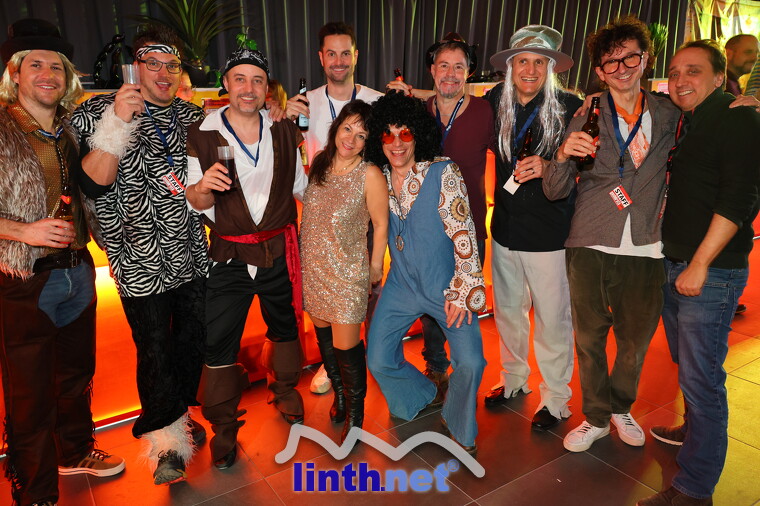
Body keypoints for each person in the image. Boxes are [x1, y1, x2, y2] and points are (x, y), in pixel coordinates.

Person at [71, 24, 208, 485]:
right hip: (137, 259)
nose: (164, 74)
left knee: (191, 343)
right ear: (134, 67)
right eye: (153, 63)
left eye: (172, 65)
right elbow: (94, 184)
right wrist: (118, 121)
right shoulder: (95, 112)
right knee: (154, 350)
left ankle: (180, 417)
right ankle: (168, 446)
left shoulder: (194, 117)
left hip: (191, 253)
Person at [0, 18, 125, 505]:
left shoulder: (71, 128)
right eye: (36, 65)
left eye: (56, 66)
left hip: (77, 270)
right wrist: (22, 230)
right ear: (15, 73)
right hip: (24, 279)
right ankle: (35, 489)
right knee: (29, 392)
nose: (48, 74)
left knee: (75, 377)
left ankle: (74, 451)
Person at [543, 15, 680, 452]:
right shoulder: (585, 115)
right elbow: (554, 190)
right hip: (590, 238)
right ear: (599, 72)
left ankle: (621, 407)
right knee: (589, 339)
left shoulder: (670, 113)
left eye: (630, 58)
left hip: (647, 240)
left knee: (635, 341)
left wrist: (743, 103)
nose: (621, 69)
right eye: (610, 63)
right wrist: (561, 156)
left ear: (646, 59)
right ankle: (597, 417)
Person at [638, 40, 760, 506]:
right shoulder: (693, 119)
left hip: (709, 273)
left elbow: (740, 199)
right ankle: (694, 431)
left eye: (693, 70)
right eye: (674, 72)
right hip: (678, 264)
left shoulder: (735, 118)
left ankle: (694, 489)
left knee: (703, 380)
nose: (680, 79)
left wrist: (701, 263)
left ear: (718, 77)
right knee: (691, 366)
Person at [185, 46, 308, 470]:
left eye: (257, 80)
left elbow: (301, 186)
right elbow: (195, 200)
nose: (249, 88)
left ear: (266, 88)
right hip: (229, 255)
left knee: (285, 325)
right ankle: (223, 427)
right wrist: (203, 186)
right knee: (219, 339)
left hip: (278, 249)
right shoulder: (203, 133)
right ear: (226, 84)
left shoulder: (283, 129)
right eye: (240, 79)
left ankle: (285, 388)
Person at [365, 91, 487, 455]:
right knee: (378, 357)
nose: (397, 143)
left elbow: (465, 233)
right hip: (401, 285)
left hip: (446, 286)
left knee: (471, 362)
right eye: (387, 134)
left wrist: (462, 290)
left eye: (405, 133)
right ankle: (422, 393)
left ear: (418, 134)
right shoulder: (377, 177)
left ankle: (457, 418)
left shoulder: (442, 171)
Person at [482, 25, 581, 431]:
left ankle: (556, 398)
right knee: (508, 312)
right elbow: (451, 105)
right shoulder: (494, 100)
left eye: (540, 62)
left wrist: (550, 166)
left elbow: (593, 160)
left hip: (549, 231)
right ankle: (513, 378)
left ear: (550, 67)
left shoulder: (571, 107)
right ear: (510, 66)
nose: (530, 69)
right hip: (505, 227)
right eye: (522, 60)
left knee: (553, 319)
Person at [387, 33, 494, 401]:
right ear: (432, 71)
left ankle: (466, 372)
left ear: (469, 72)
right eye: (443, 65)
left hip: (469, 227)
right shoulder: (419, 113)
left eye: (458, 67)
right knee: (430, 305)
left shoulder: (484, 112)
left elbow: (508, 152)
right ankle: (435, 366)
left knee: (463, 301)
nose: (450, 73)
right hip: (424, 230)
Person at [285, 21, 384, 395]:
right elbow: (293, 162)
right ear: (321, 57)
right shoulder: (305, 104)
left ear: (356, 56)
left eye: (345, 53)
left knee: (368, 296)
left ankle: (370, 360)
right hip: (321, 220)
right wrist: (284, 122)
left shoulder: (377, 101)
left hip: (364, 213)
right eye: (331, 54)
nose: (339, 60)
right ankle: (336, 368)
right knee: (324, 301)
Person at [300, 100, 388, 444]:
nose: (351, 139)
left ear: (368, 142)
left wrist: (375, 267)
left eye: (361, 135)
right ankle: (339, 394)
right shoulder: (320, 163)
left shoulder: (369, 174)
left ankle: (356, 415)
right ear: (336, 128)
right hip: (315, 269)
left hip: (349, 273)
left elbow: (381, 224)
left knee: (348, 350)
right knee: (325, 344)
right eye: (348, 128)